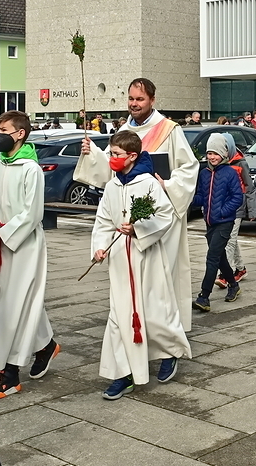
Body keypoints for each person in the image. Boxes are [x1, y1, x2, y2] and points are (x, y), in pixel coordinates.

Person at [75, 78, 199, 332]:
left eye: (140, 99)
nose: (134, 104)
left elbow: (189, 168)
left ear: (152, 100)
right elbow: (114, 167)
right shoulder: (124, 130)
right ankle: (136, 327)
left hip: (160, 215)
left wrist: (167, 184)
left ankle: (165, 332)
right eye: (131, 99)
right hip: (128, 218)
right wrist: (93, 154)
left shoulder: (168, 129)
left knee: (161, 278)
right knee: (131, 278)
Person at [93, 131, 190, 400]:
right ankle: (123, 374)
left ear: (132, 156)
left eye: (116, 154)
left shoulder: (148, 183)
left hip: (146, 257)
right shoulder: (113, 186)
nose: (112, 158)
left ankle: (170, 352)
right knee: (119, 317)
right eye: (111, 153)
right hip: (120, 260)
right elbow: (103, 220)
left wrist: (139, 229)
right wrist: (100, 246)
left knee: (154, 312)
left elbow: (165, 215)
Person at [0, 110, 60, 400]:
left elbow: (32, 213)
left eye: (4, 130)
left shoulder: (30, 169)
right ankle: (46, 345)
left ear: (20, 134)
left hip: (25, 245)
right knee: (17, 302)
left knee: (15, 306)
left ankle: (9, 373)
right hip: (2, 243)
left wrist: (1, 233)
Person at [192, 134, 243, 312]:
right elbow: (201, 196)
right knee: (219, 257)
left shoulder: (230, 173)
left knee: (212, 258)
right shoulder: (204, 173)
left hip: (224, 222)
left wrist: (222, 212)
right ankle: (233, 285)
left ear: (224, 154)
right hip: (210, 223)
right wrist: (187, 199)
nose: (212, 157)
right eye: (209, 153)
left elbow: (237, 198)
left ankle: (204, 296)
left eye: (215, 153)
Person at [216, 134, 256, 287]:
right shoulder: (218, 162)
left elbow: (249, 187)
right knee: (230, 239)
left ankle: (225, 274)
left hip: (237, 207)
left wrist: (252, 210)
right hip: (223, 208)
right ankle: (240, 269)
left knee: (229, 241)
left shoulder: (241, 163)